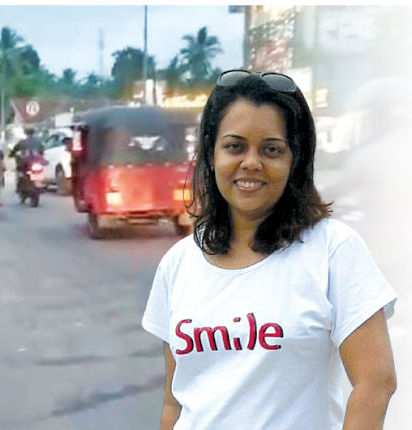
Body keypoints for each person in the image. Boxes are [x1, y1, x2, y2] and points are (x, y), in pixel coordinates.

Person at [142, 70, 397, 430]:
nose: (251, 162)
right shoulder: (179, 263)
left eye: (271, 149)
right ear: (211, 154)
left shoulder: (333, 251)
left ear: (294, 160)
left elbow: (375, 384)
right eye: (234, 146)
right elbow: (175, 401)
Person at [9, 126, 44, 192]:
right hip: (35, 162)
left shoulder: (22, 142)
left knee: (20, 172)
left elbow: (14, 150)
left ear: (25, 133)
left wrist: (12, 155)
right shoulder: (38, 142)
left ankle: (20, 186)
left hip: (27, 163)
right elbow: (42, 151)